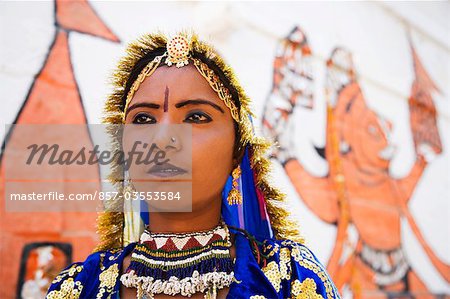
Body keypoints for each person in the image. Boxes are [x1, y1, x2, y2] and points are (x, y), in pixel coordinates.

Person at [46, 31, 341, 299]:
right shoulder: (81, 287)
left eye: (196, 117)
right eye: (143, 120)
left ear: (236, 152)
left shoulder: (291, 279)